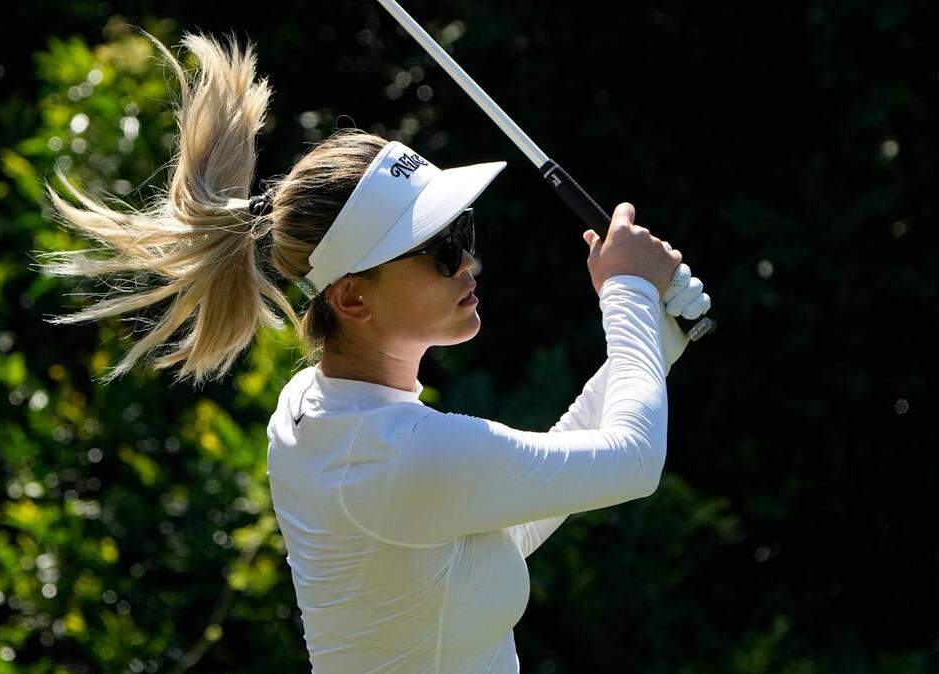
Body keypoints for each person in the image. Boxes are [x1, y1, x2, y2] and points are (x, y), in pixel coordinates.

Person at [37, 30, 712, 673]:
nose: (468, 263)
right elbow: (631, 463)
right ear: (353, 300)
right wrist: (624, 292)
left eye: (461, 232)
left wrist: (652, 341)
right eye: (441, 250)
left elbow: (516, 507)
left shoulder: (314, 412)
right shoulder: (403, 453)